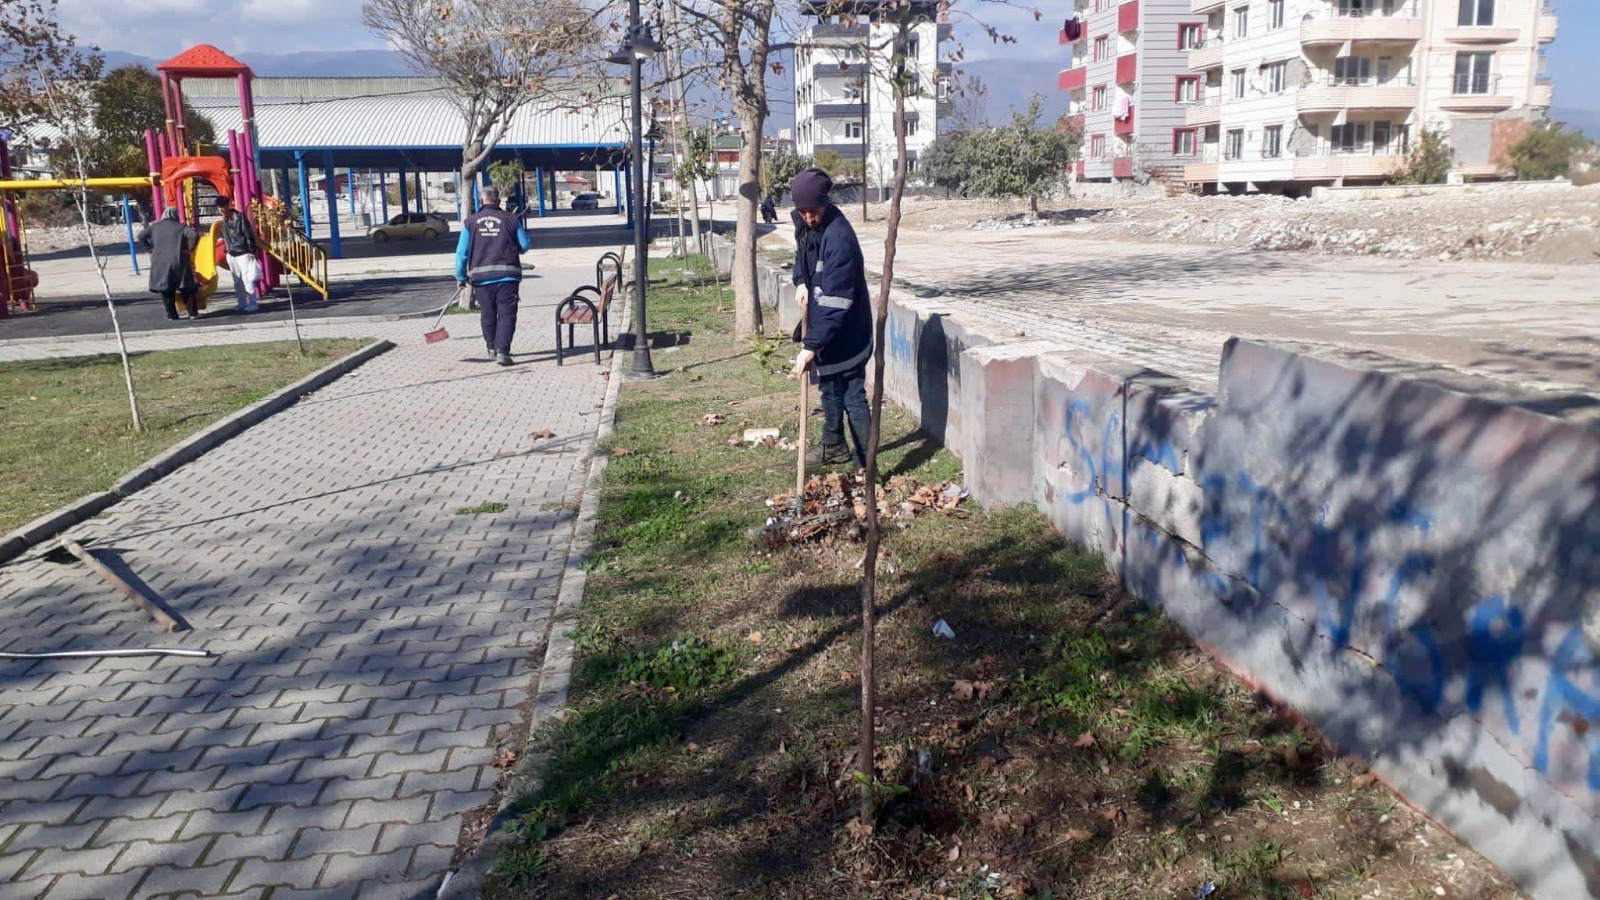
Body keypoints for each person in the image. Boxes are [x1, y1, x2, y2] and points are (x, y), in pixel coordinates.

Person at [789, 168, 873, 469]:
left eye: (813, 211)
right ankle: (833, 446)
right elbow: (803, 256)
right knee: (828, 387)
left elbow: (836, 302)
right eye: (803, 211)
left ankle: (868, 464)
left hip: (848, 330)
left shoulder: (841, 240)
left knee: (851, 394)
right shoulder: (806, 224)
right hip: (824, 325)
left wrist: (810, 346)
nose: (809, 218)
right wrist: (801, 280)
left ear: (825, 202)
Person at [454, 185, 532, 366]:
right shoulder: (511, 220)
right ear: (498, 201)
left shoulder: (470, 222)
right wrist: (517, 247)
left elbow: (461, 253)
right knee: (507, 314)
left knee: (487, 313)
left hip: (481, 278)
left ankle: (491, 348)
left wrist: (460, 277)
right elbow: (525, 245)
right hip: (508, 276)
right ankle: (502, 351)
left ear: (481, 201)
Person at [138, 207, 199, 321]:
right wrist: (189, 249)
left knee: (166, 289)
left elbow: (141, 236)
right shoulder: (181, 227)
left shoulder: (155, 227)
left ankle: (172, 315)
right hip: (179, 260)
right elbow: (193, 235)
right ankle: (192, 313)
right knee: (186, 287)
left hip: (160, 261)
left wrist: (150, 249)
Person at [216, 196, 262, 313]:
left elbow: (248, 233)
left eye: (223, 206)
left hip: (243, 252)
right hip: (231, 253)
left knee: (247, 279)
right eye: (219, 207)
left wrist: (251, 250)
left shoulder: (239, 217)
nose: (221, 209)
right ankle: (242, 303)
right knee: (237, 281)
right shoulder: (223, 221)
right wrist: (226, 250)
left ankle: (253, 303)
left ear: (228, 205)